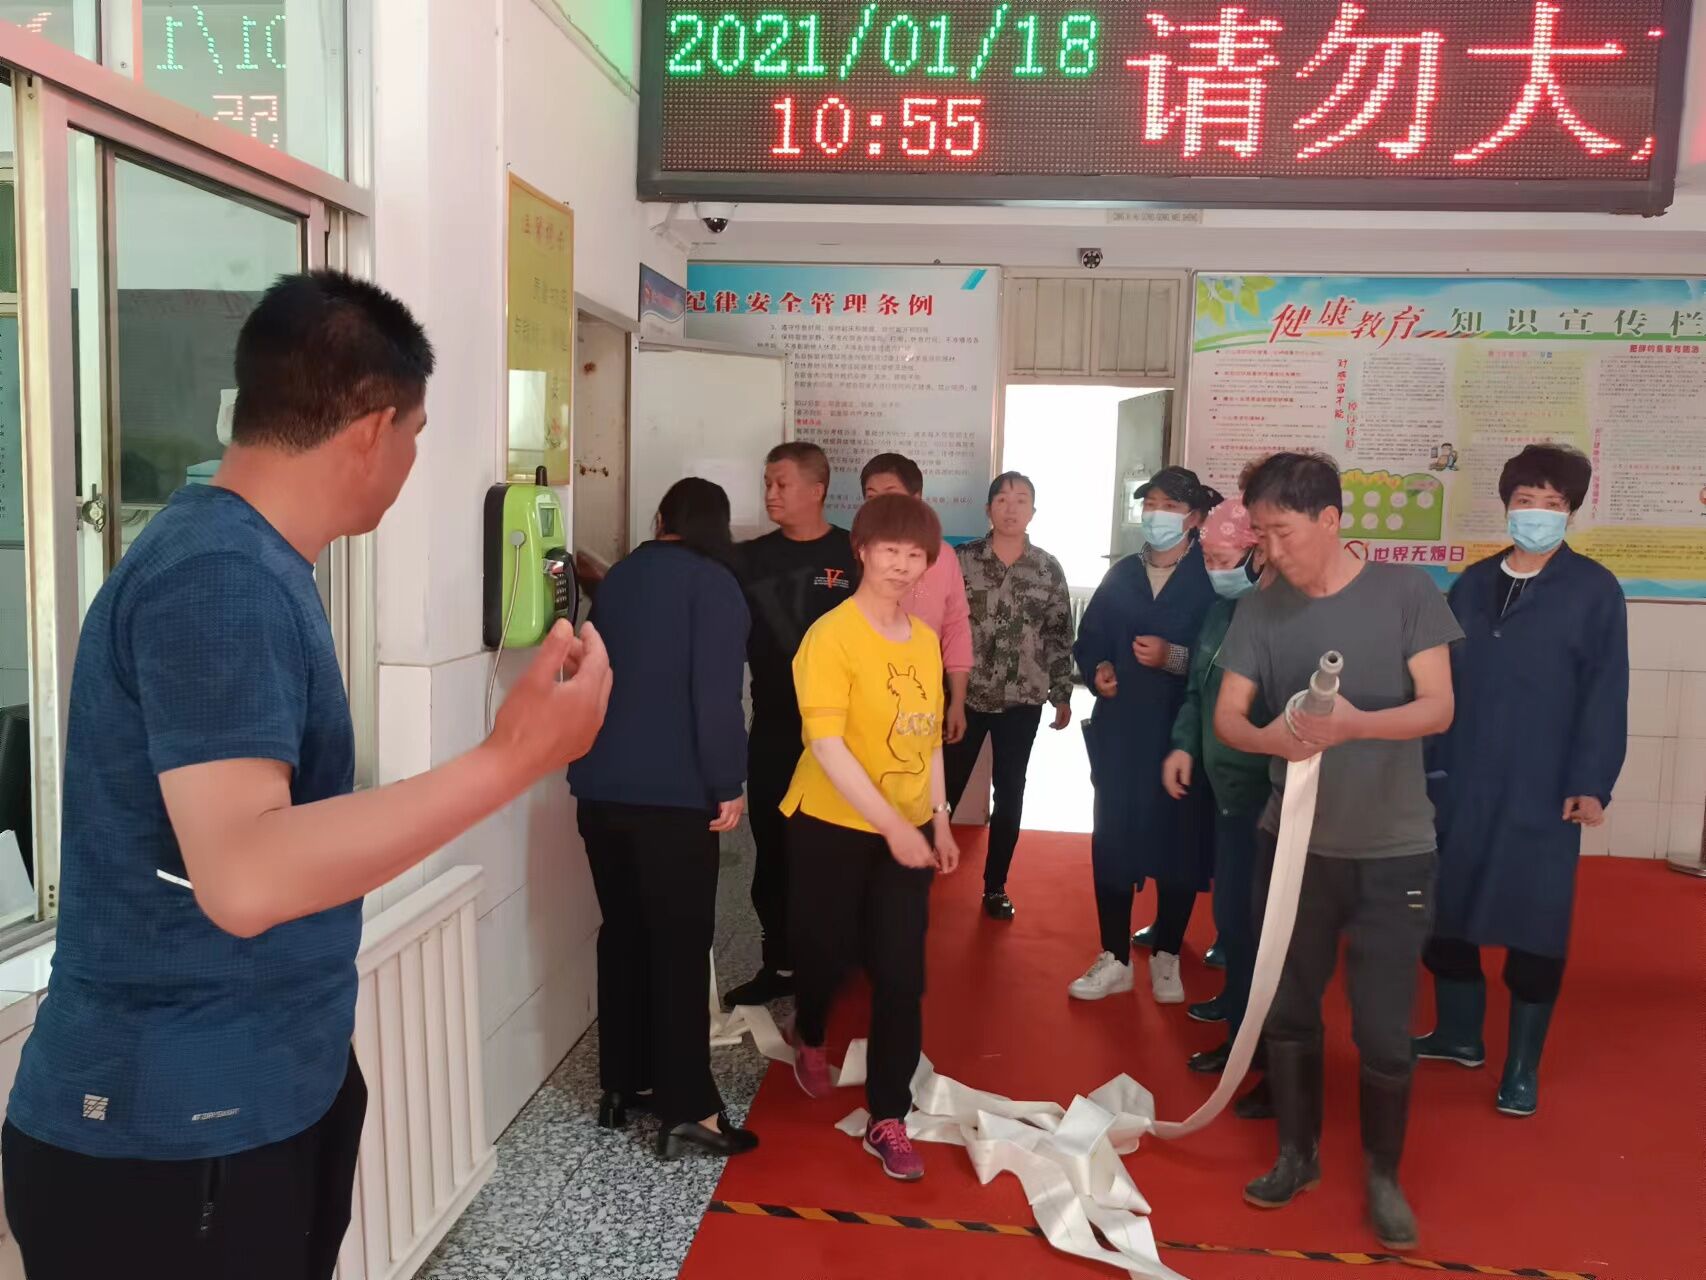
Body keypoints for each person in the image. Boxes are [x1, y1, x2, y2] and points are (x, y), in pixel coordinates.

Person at [1, 271, 613, 1280]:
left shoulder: (249, 561)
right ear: (372, 430)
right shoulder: (220, 576)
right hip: (172, 1142)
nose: (411, 461)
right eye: (415, 435)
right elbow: (245, 876)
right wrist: (515, 756)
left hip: (246, 1102)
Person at [1214, 451, 1461, 1252]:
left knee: (1385, 1030)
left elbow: (1438, 708)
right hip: (1293, 848)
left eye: (1282, 532)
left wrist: (1355, 724)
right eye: (1260, 533)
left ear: (1330, 520)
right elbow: (1229, 718)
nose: (1270, 549)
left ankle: (1384, 1176)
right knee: (1289, 1010)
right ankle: (1297, 1155)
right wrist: (1272, 740)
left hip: (1393, 851)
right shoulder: (1261, 610)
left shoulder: (1406, 593)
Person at [1415, 444, 1628, 1118]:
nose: (1537, 514)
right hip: (1461, 777)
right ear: (1506, 506)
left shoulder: (1594, 590)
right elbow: (1438, 680)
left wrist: (1592, 781)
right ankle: (1458, 1035)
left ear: (1571, 513)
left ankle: (1521, 1068)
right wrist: (1424, 765)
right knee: (1446, 911)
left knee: (1535, 925)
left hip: (1543, 785)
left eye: (1552, 504)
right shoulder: (1473, 583)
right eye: (1525, 501)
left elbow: (1606, 693)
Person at [567, 478, 758, 1161]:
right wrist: (727, 782)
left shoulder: (618, 579)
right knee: (678, 948)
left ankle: (623, 1085)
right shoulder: (715, 585)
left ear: (660, 519)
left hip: (600, 790)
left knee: (624, 935)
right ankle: (690, 1111)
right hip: (673, 798)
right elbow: (716, 697)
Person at [784, 494, 960, 1182]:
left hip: (907, 831)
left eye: (916, 554)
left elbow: (927, 738)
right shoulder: (829, 636)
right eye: (890, 550)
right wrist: (892, 827)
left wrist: (938, 817)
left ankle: (889, 1115)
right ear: (861, 550)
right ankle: (810, 1028)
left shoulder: (922, 639)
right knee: (824, 952)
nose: (903, 565)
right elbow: (826, 744)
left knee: (901, 974)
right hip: (831, 824)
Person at [1070, 466, 1220, 1005]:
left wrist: (1173, 657)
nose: (1157, 515)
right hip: (1123, 732)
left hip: (1181, 736)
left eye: (1170, 507)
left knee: (1179, 840)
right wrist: (1099, 671)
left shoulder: (1211, 576)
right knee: (1112, 838)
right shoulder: (1123, 574)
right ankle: (1113, 957)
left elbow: (1225, 657)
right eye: (1150, 504)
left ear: (1195, 518)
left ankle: (1167, 954)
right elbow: (1090, 639)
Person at [723, 442, 858, 1009]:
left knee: (836, 852)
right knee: (774, 851)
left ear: (817, 489)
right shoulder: (747, 559)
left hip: (846, 734)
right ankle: (778, 963)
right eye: (767, 484)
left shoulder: (854, 553)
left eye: (782, 484)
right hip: (777, 728)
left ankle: (838, 959)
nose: (771, 494)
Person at [1162, 494, 1271, 1083]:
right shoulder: (1219, 613)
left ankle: (1250, 1041)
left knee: (1255, 918)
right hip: (1223, 786)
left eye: (1224, 560)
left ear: (1258, 553)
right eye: (1207, 559)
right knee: (1231, 910)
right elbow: (1197, 691)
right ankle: (1235, 1004)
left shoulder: (1280, 617)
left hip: (1265, 792)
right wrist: (1184, 744)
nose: (1214, 570)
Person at [945, 472, 1075, 920]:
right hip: (964, 697)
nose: (1011, 508)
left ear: (1033, 511)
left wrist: (1062, 692)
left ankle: (995, 886)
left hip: (1022, 701)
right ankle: (917, 873)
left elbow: (1059, 635)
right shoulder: (961, 561)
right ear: (988, 510)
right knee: (943, 788)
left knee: (1010, 793)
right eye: (1001, 499)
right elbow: (940, 624)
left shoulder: (1047, 568)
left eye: (1021, 500)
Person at [860, 453, 973, 750]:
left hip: (923, 690)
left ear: (916, 499)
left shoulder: (944, 556)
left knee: (918, 766)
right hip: (866, 690)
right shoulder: (858, 553)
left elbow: (956, 627)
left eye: (891, 495)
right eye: (871, 497)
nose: (880, 507)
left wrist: (957, 700)